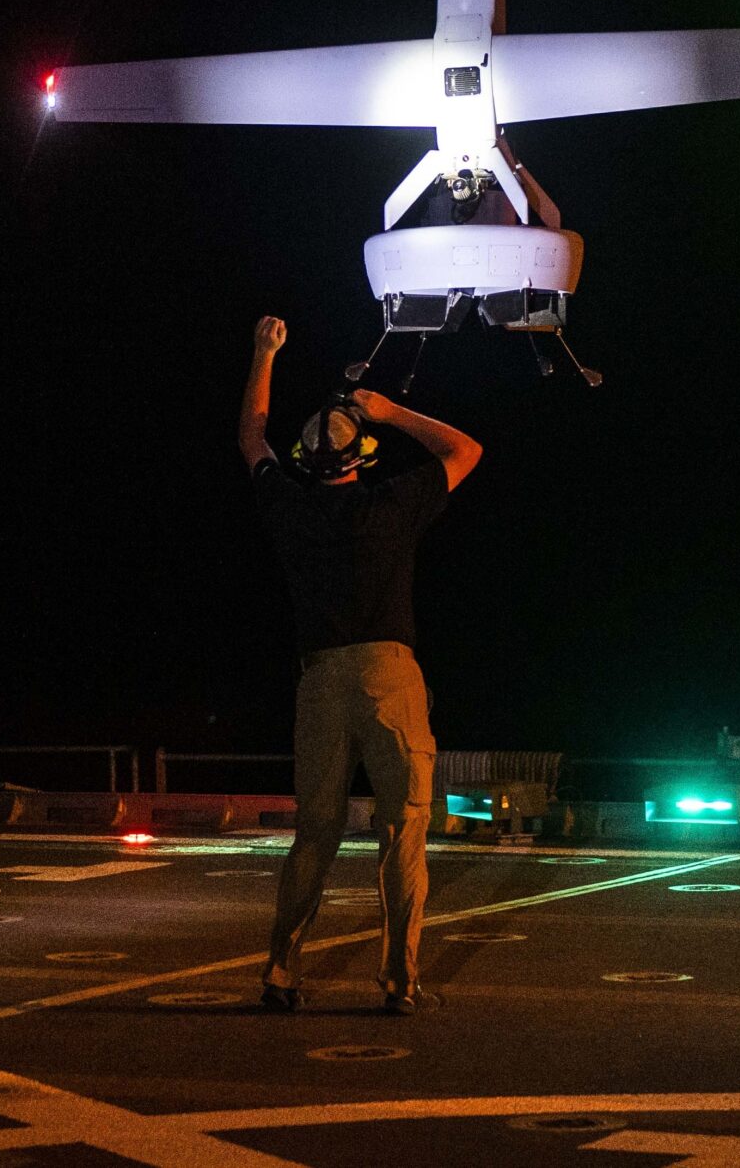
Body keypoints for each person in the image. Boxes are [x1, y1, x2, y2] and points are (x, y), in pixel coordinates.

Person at [237, 314, 481, 1015]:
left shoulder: (288, 508)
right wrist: (387, 407)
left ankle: (282, 972)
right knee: (404, 829)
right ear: (361, 456)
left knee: (314, 830)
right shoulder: (393, 505)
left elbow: (251, 436)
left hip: (319, 681)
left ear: (307, 461)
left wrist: (264, 352)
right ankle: (400, 981)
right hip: (389, 675)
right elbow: (466, 448)